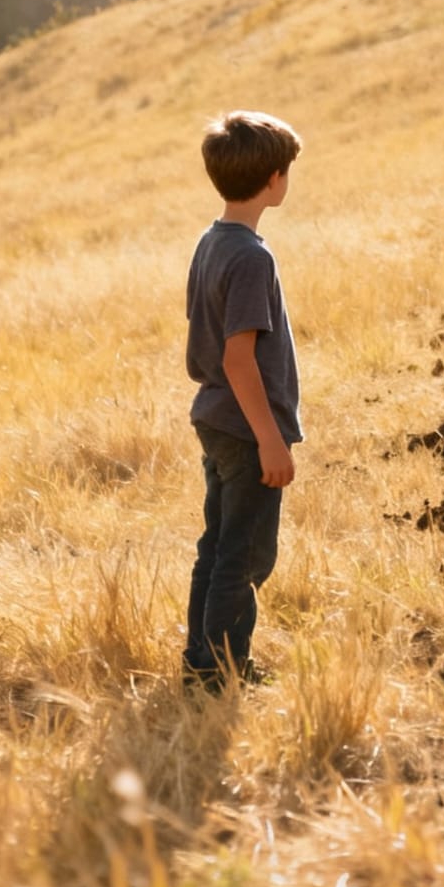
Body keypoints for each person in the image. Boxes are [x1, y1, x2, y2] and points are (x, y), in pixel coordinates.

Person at [181, 110, 303, 691]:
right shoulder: (253, 257)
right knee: (246, 556)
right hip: (243, 427)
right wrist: (271, 438)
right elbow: (238, 358)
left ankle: (201, 661)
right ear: (274, 179)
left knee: (218, 547)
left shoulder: (213, 240)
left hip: (216, 419)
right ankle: (223, 674)